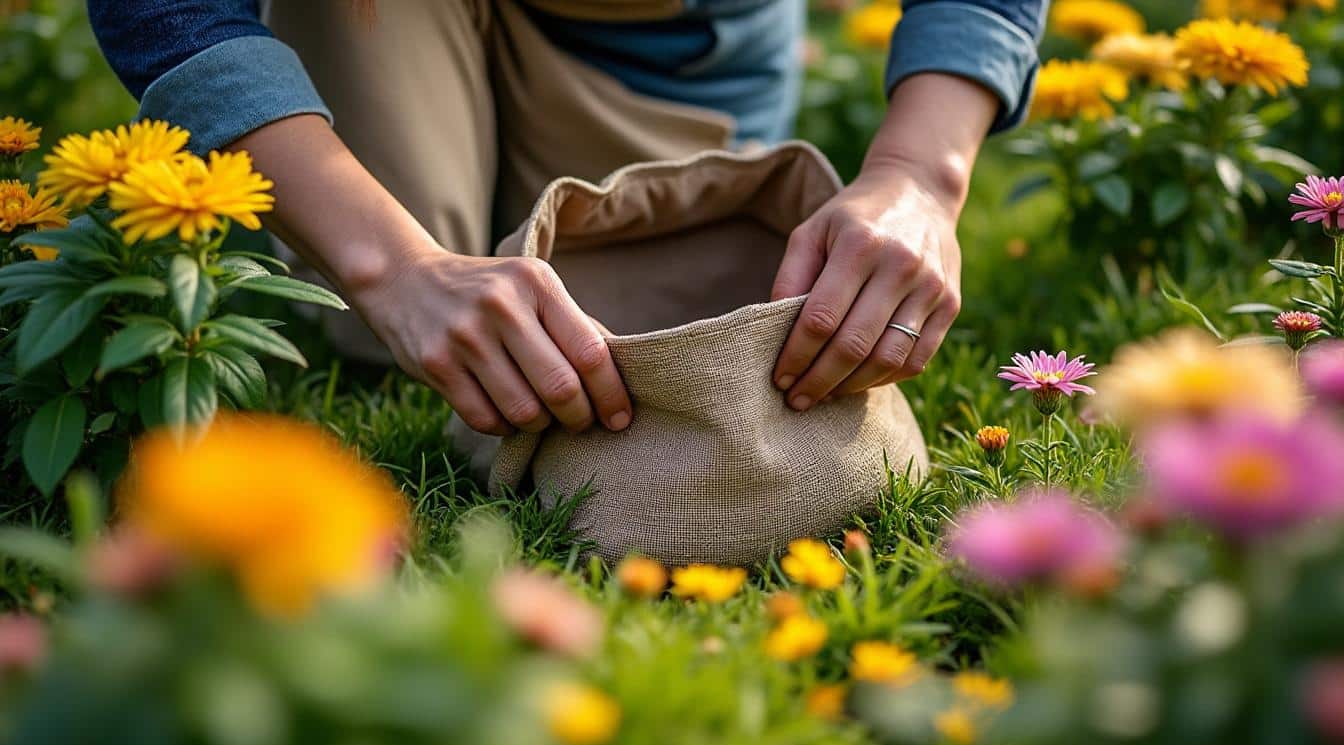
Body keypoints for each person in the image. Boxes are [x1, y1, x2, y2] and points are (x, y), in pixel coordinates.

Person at [87, 0, 1046, 440]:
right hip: (373, 24)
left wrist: (920, 173)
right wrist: (392, 272)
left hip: (657, 61)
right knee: (409, 351)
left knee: (649, 323)